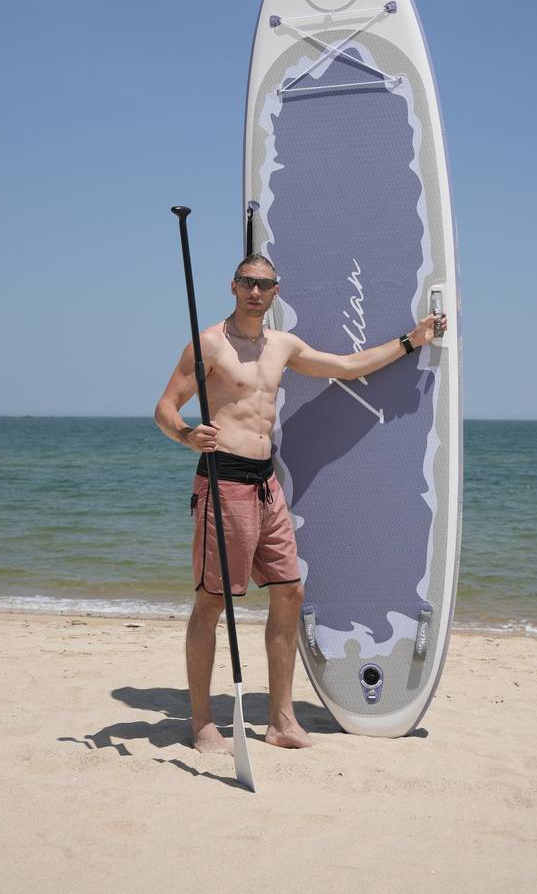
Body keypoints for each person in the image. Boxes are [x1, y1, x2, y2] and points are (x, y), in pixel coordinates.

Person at [154, 253, 447, 753]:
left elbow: (348, 367)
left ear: (275, 292)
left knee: (290, 592)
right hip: (223, 484)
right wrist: (186, 435)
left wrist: (410, 340)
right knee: (213, 602)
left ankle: (281, 720)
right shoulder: (208, 345)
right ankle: (202, 721)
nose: (255, 292)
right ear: (233, 286)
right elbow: (164, 409)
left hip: (267, 487)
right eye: (247, 282)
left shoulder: (282, 345)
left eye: (265, 285)